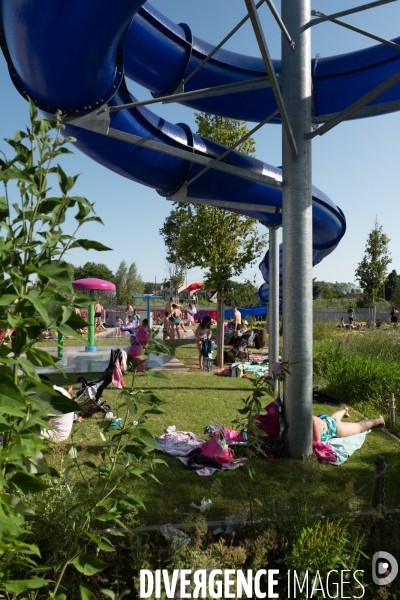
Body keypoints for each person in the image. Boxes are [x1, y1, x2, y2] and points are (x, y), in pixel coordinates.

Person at [312, 407, 384, 443]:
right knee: (334, 418)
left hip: (334, 427)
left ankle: (378, 421)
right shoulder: (308, 420)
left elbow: (317, 444)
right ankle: (344, 410)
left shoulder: (313, 422)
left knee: (359, 426)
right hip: (326, 421)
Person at [40, 376, 75, 443]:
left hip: (56, 435)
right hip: (63, 431)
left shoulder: (51, 398)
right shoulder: (58, 389)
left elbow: (46, 424)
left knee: (28, 432)